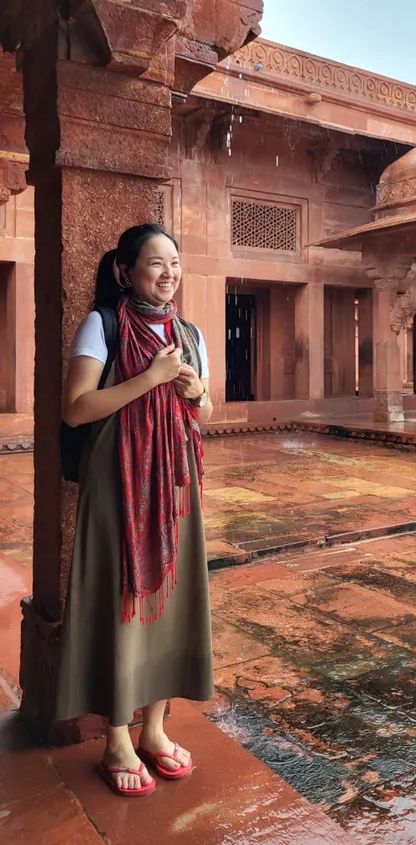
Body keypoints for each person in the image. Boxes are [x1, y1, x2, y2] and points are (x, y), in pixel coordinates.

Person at [56, 224, 214, 797]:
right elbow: (76, 409)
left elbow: (207, 412)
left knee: (170, 599)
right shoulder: (101, 325)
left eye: (175, 262)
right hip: (117, 478)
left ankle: (155, 728)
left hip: (174, 481)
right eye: (155, 262)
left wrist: (196, 394)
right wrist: (150, 378)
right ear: (125, 271)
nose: (169, 273)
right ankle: (117, 739)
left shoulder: (189, 333)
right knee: (122, 599)